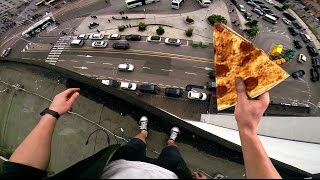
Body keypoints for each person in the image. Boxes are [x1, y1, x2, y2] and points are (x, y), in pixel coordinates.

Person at [0, 77, 281, 179]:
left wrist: (51, 113)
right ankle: (170, 140)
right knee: (172, 152)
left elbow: (19, 174)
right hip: (171, 173)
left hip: (119, 165)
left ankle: (144, 132)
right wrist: (247, 130)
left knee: (136, 143)